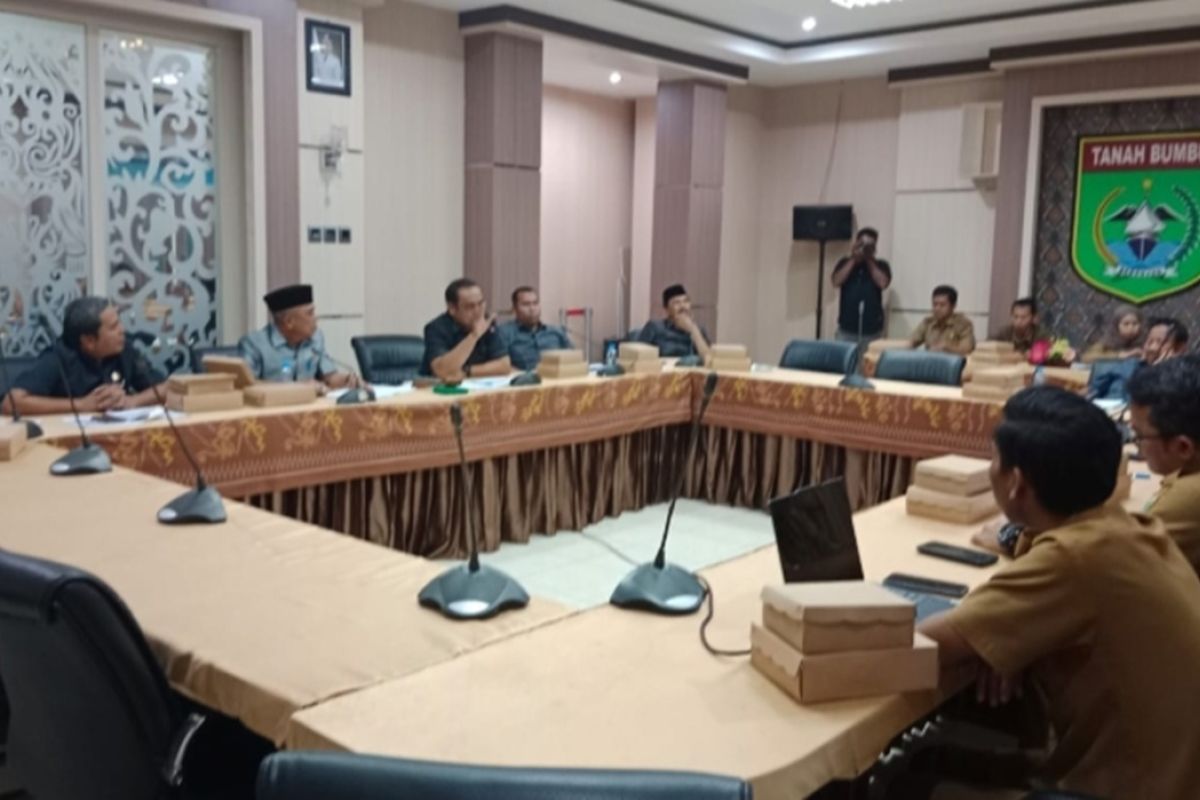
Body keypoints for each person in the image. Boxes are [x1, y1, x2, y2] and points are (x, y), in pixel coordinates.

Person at [919, 386, 1200, 799]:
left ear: (1016, 483)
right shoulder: (1122, 526)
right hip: (1174, 776)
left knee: (924, 784)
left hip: (1131, 790)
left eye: (993, 458)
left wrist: (997, 638)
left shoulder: (1075, 558)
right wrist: (1013, 639)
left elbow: (926, 644)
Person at [1, 296, 166, 416]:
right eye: (113, 327)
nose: (122, 331)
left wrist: (132, 401)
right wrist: (80, 405)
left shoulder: (123, 350)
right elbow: (10, 403)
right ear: (89, 341)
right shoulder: (58, 358)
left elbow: (167, 388)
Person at [1128, 355, 1200, 574]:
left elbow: (1120, 566)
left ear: (1183, 447)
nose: (1136, 444)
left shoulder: (1189, 495)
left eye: (1139, 436)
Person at [239, 284, 360, 389]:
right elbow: (246, 385)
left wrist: (346, 380)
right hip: (274, 407)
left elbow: (329, 376)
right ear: (289, 322)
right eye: (310, 313)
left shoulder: (315, 338)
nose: (315, 318)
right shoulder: (254, 344)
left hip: (311, 406)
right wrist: (297, 388)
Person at [421, 278, 510, 380]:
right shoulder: (436, 328)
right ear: (452, 309)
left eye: (480, 303)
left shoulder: (487, 323)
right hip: (437, 386)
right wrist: (474, 336)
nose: (478, 311)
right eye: (470, 306)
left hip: (475, 383)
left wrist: (466, 371)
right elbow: (442, 371)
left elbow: (504, 365)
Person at [831, 227, 891, 351]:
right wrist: (854, 258)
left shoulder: (881, 265)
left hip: (872, 331)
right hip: (846, 330)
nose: (865, 248)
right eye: (862, 244)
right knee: (844, 361)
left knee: (871, 362)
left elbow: (882, 283)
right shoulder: (845, 262)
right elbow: (836, 281)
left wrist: (869, 259)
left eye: (869, 245)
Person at [498, 287, 572, 372]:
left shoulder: (556, 332)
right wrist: (525, 375)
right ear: (514, 309)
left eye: (535, 303)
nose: (532, 309)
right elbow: (500, 366)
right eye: (526, 304)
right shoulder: (503, 333)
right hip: (522, 378)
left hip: (555, 377)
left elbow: (572, 360)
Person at [636, 284, 710, 360]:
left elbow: (708, 359)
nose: (683, 306)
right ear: (666, 309)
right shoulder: (655, 327)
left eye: (686, 301)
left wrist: (693, 330)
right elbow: (637, 357)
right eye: (676, 303)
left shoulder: (699, 329)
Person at [909, 285, 975, 355]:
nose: (937, 309)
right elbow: (911, 343)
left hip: (952, 360)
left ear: (953, 306)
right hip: (930, 359)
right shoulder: (928, 322)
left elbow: (967, 349)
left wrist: (947, 348)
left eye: (942, 305)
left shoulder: (963, 324)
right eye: (935, 304)